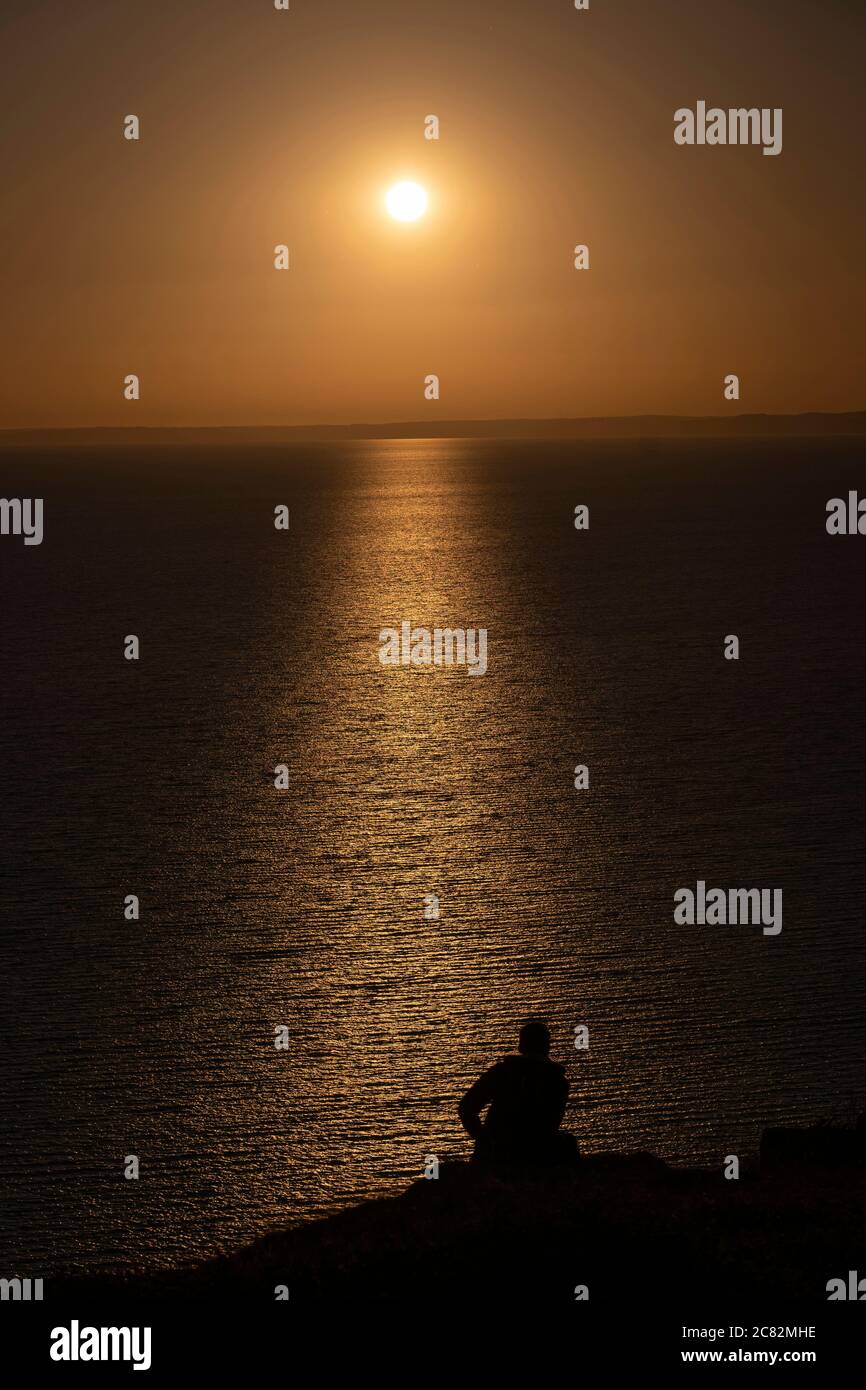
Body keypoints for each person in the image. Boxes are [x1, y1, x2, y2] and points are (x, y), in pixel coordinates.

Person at [458, 1020, 578, 1167]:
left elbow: (466, 1108)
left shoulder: (502, 1072)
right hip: (532, 1154)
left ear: (521, 1046)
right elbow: (550, 1126)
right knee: (568, 1143)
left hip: (500, 1153)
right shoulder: (558, 1082)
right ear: (547, 1047)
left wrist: (485, 1141)